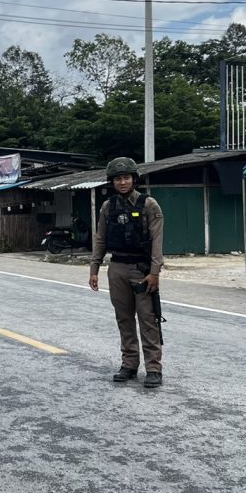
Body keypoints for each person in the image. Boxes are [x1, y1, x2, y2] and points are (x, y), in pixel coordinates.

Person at [87, 157, 166, 388]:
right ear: (112, 182)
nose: (122, 182)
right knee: (124, 318)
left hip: (142, 269)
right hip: (117, 268)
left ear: (133, 179)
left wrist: (155, 272)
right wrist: (94, 268)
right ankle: (129, 364)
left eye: (126, 178)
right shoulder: (108, 207)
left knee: (148, 319)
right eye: (118, 179)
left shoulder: (149, 204)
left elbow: (157, 241)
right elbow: (100, 239)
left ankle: (153, 368)